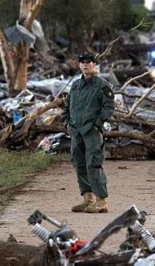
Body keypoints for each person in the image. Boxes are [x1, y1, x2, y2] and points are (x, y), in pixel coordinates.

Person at [61, 52, 115, 213]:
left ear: (94, 65)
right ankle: (88, 198)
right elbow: (67, 106)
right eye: (82, 62)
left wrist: (97, 123)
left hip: (91, 131)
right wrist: (67, 122)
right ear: (79, 65)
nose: (85, 65)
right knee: (79, 163)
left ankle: (101, 200)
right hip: (76, 131)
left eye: (88, 62)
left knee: (94, 163)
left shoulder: (101, 85)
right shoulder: (75, 85)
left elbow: (109, 107)